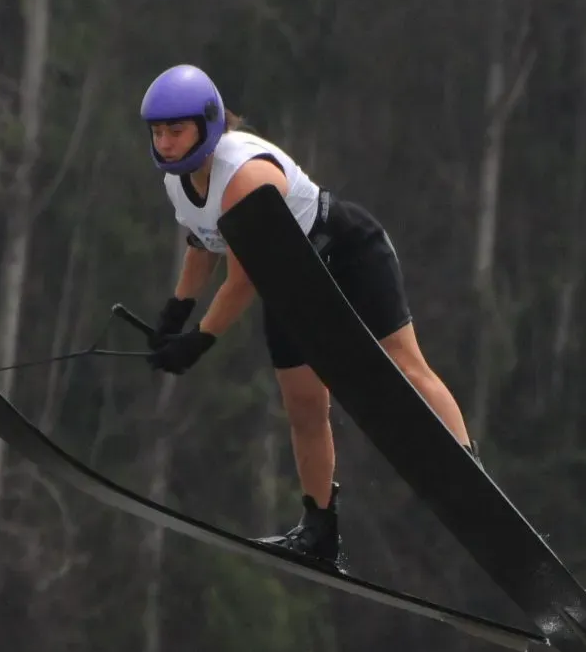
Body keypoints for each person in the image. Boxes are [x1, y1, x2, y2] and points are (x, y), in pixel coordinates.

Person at [139, 63, 478, 569]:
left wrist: (200, 339)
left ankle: (471, 475)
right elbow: (202, 245)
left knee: (405, 367)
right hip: (292, 283)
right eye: (158, 132)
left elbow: (244, 277)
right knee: (303, 405)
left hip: (345, 254)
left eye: (176, 130)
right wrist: (175, 312)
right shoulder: (180, 179)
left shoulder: (244, 174)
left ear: (208, 124)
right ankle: (319, 530)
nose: (165, 143)